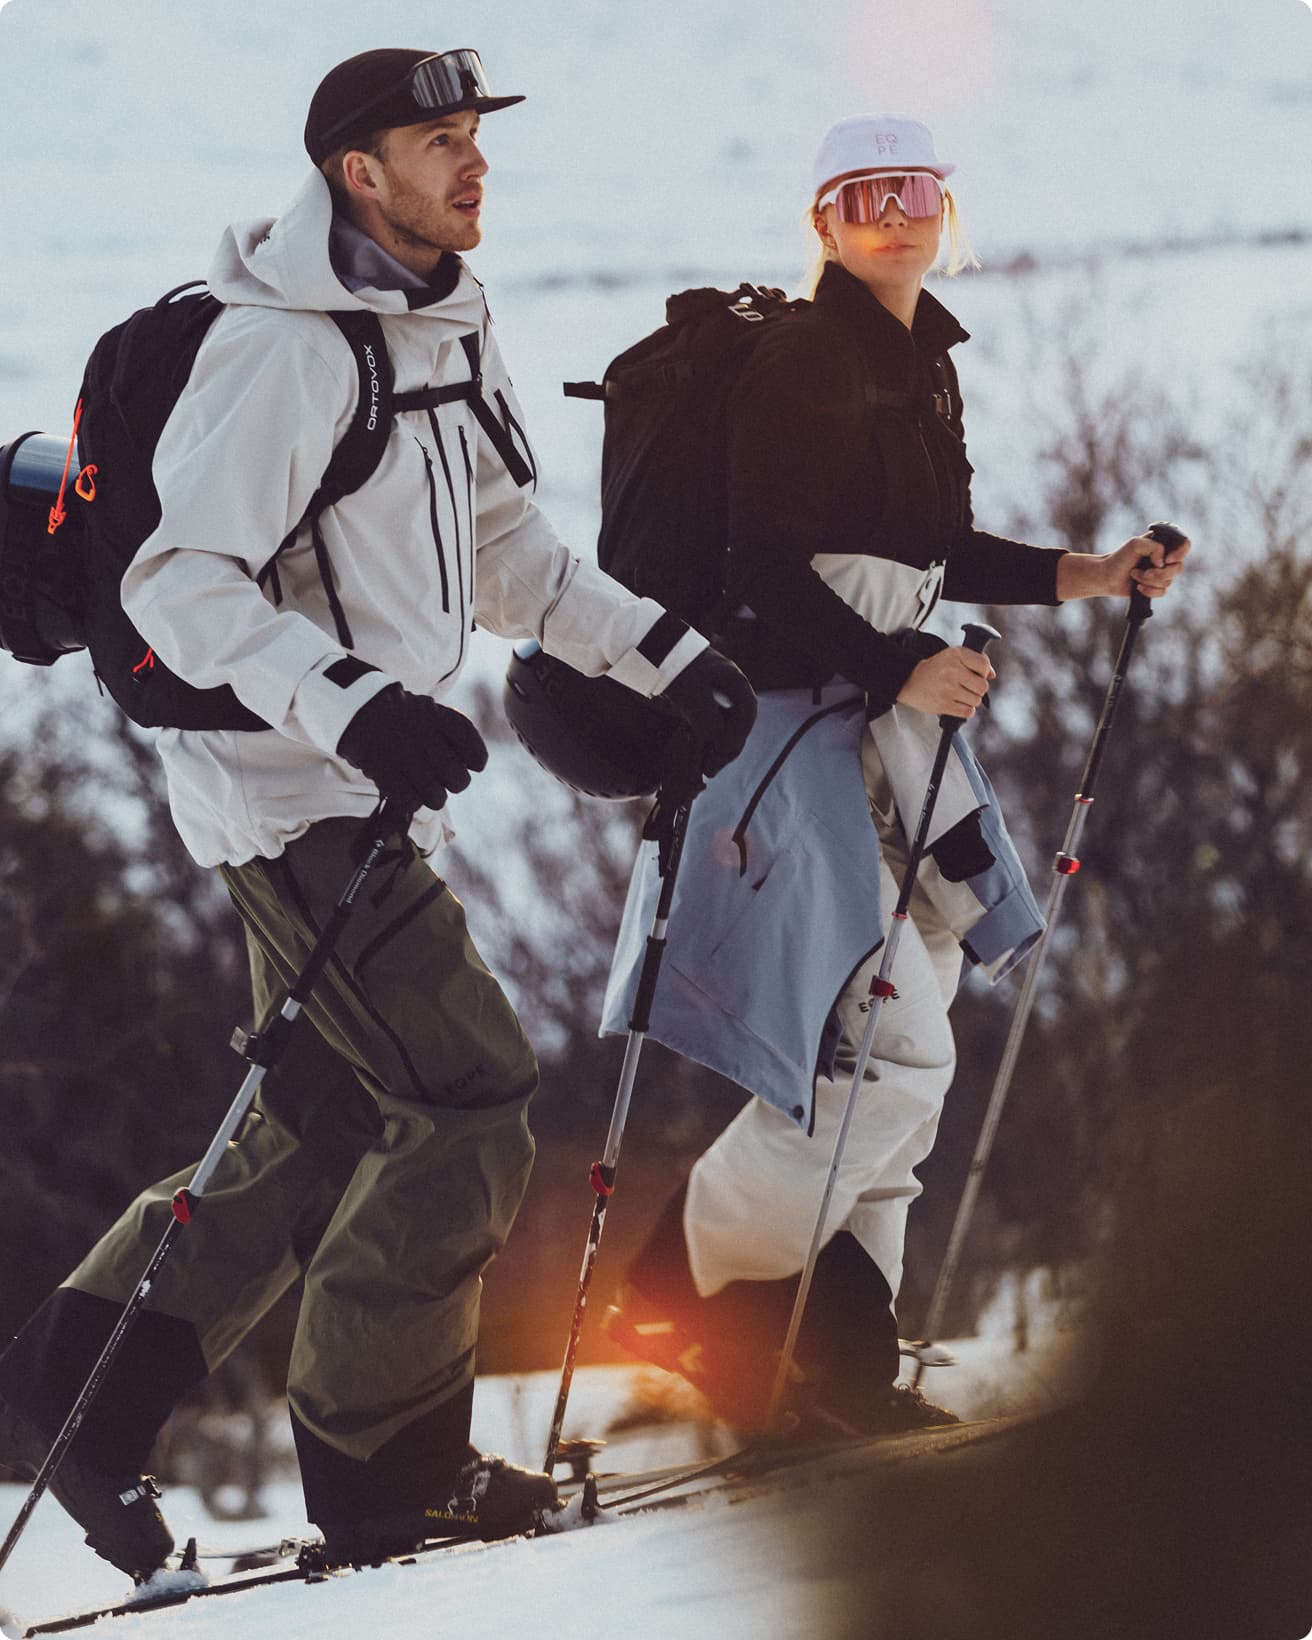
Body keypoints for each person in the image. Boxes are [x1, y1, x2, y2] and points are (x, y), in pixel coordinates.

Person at [0, 47, 754, 1577]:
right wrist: (358, 707)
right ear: (359, 170)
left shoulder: (438, 327)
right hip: (291, 797)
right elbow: (179, 584)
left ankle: (82, 1388)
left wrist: (668, 656)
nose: (473, 164)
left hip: (368, 783)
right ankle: (383, 1463)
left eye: (476, 137)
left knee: (329, 1109)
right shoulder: (283, 354)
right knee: (469, 1095)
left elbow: (505, 552)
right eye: (438, 141)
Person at [601, 115, 1189, 1436]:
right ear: (822, 220)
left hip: (885, 732)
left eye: (917, 188)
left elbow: (928, 548)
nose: (896, 212)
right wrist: (894, 670)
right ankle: (674, 1281)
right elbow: (762, 569)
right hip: (806, 740)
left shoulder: (919, 355)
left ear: (945, 207)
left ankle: (836, 1356)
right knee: (893, 1052)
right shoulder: (806, 357)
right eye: (863, 195)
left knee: (885, 1051)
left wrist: (1083, 575)